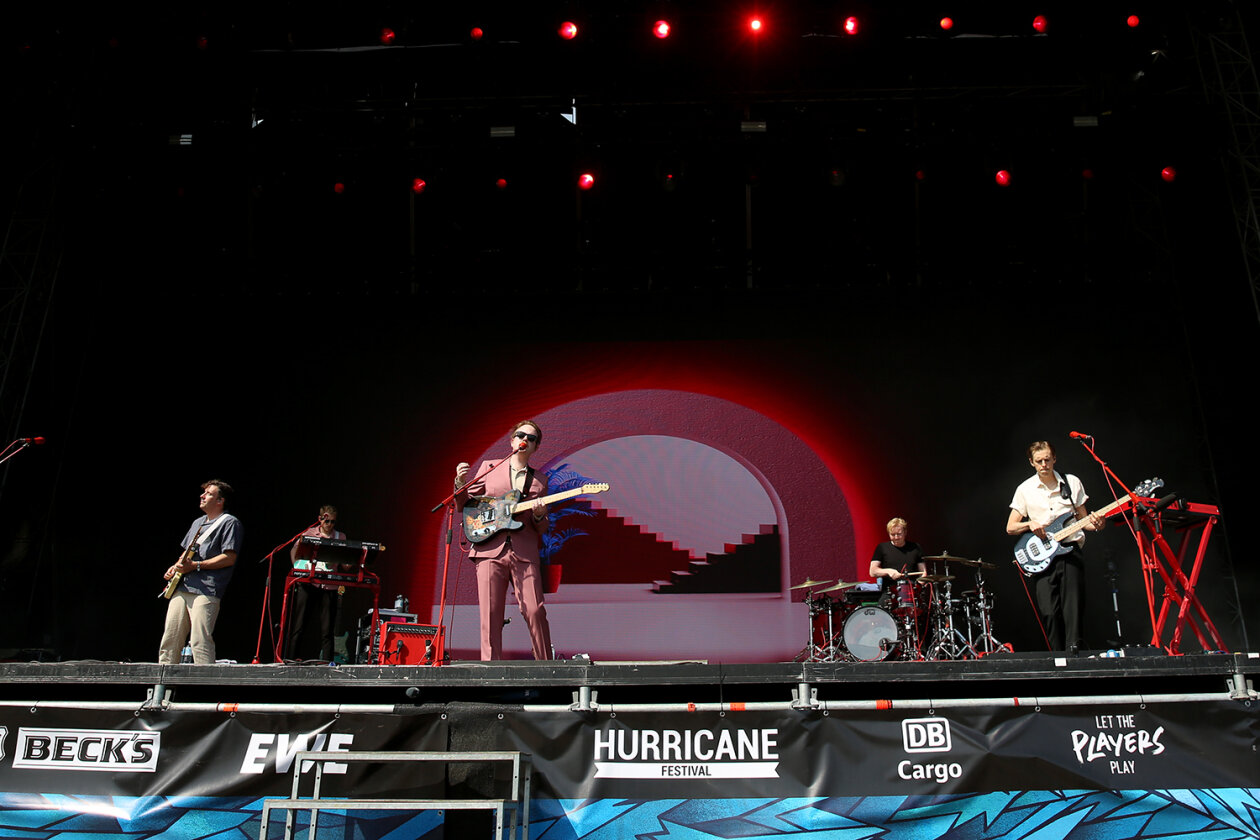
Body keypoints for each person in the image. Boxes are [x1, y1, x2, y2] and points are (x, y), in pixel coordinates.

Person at [454, 420, 553, 661]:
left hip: (524, 550)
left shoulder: (539, 481)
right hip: (489, 549)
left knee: (534, 609)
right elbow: (465, 505)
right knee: (490, 614)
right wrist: (459, 483)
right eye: (521, 435)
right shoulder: (491, 467)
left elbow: (541, 526)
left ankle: (546, 667)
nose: (525, 440)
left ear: (535, 447)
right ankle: (491, 669)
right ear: (512, 440)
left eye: (531, 438)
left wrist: (539, 515)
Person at [1005, 440, 1105, 652]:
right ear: (1031, 462)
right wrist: (1029, 524)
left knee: (1073, 610)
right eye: (1039, 461)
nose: (1044, 465)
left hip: (1070, 552)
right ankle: (1057, 658)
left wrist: (1097, 523)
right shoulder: (1025, 489)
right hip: (1042, 557)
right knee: (1049, 611)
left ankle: (1074, 657)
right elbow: (1010, 527)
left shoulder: (1071, 483)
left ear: (1054, 459)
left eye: (1047, 460)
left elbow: (1084, 520)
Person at [159, 480, 241, 664]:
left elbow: (229, 557)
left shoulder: (230, 523)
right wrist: (176, 566)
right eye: (203, 493)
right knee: (170, 639)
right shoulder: (197, 522)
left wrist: (196, 566)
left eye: (209, 493)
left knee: (199, 641)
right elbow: (187, 551)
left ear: (220, 500)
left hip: (206, 589)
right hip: (183, 586)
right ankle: (163, 688)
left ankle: (205, 689)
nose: (202, 496)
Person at [284, 505, 345, 661]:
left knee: (327, 629)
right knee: (299, 624)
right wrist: (298, 568)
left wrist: (352, 560)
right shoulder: (309, 533)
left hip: (329, 585)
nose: (330, 525)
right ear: (320, 519)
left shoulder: (340, 537)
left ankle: (327, 662)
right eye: (327, 521)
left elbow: (345, 564)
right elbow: (294, 551)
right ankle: (291, 659)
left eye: (333, 522)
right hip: (309, 582)